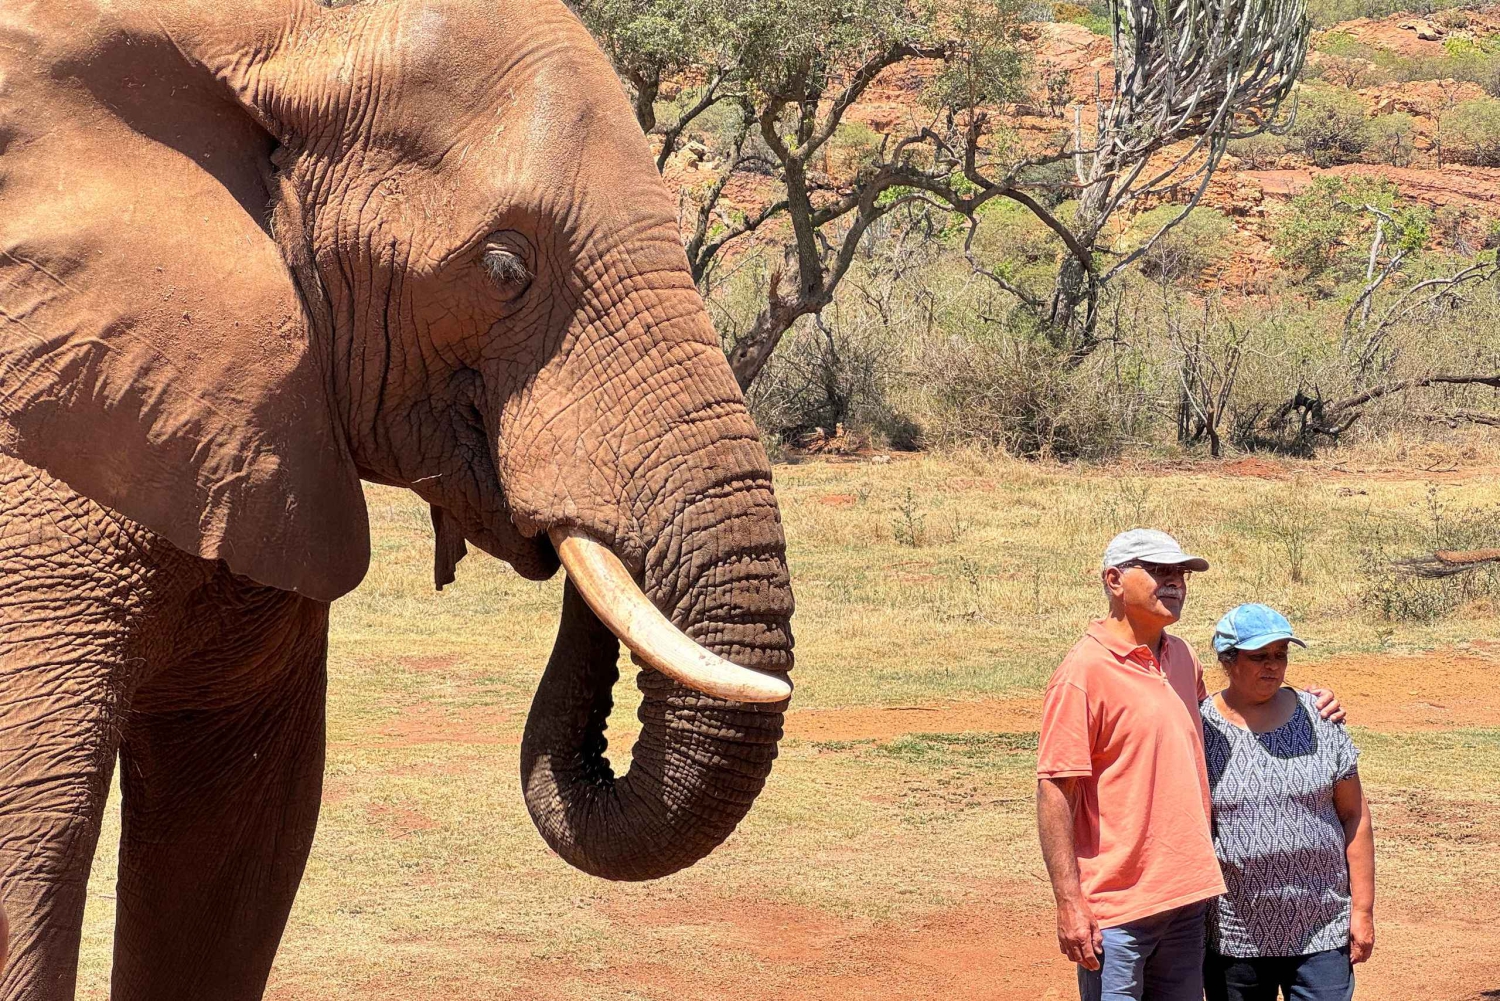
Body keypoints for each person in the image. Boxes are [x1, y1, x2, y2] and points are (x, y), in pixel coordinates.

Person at [1036, 529, 1344, 1001]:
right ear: (1114, 580)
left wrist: (1303, 701)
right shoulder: (1082, 674)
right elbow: (1056, 790)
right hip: (1118, 909)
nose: (1174, 582)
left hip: (1186, 900)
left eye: (1179, 573)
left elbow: (1228, 719)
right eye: (1158, 571)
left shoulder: (1180, 658)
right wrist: (1069, 901)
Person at [1201, 604, 1375, 1001]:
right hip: (1235, 932)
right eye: (1259, 656)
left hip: (1322, 927)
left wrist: (1361, 911)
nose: (1273, 666)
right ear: (1228, 661)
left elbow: (1354, 816)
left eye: (1281, 654)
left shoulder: (1319, 718)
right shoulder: (1201, 728)